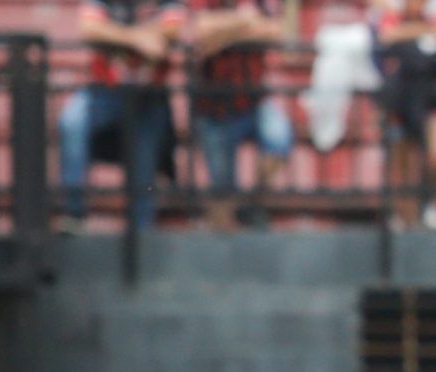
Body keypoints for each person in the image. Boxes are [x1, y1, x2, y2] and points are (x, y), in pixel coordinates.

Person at [59, 0, 186, 233]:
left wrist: (116, 34)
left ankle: (141, 231)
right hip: (105, 92)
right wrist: (136, 38)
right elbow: (89, 27)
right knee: (72, 121)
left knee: (144, 159)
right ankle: (74, 214)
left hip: (148, 98)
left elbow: (172, 28)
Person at [190, 0, 294, 230]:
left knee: (279, 136)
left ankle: (251, 204)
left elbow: (278, 31)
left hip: (252, 103)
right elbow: (200, 35)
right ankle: (222, 253)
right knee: (222, 193)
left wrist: (223, 33)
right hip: (212, 109)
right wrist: (246, 23)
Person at [373, 0, 436, 230]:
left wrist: (421, 31)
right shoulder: (393, 18)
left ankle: (427, 203)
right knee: (402, 166)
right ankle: (402, 216)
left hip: (431, 102)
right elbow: (384, 37)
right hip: (400, 103)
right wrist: (418, 31)